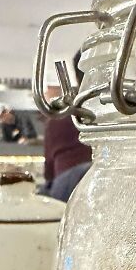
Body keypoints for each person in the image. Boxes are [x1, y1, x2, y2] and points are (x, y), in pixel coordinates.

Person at [42, 51, 92, 197]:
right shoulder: (120, 109)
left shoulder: (58, 116)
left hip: (66, 183)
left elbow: (49, 172)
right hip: (100, 176)